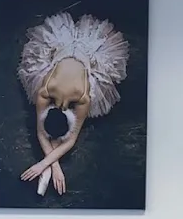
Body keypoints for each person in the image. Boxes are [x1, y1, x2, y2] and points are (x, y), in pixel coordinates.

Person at [17, 11, 129, 197]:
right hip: (64, 55)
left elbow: (70, 138)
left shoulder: (84, 97)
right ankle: (45, 177)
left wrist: (44, 164)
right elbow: (42, 132)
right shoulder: (44, 91)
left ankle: (44, 178)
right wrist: (53, 166)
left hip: (85, 53)